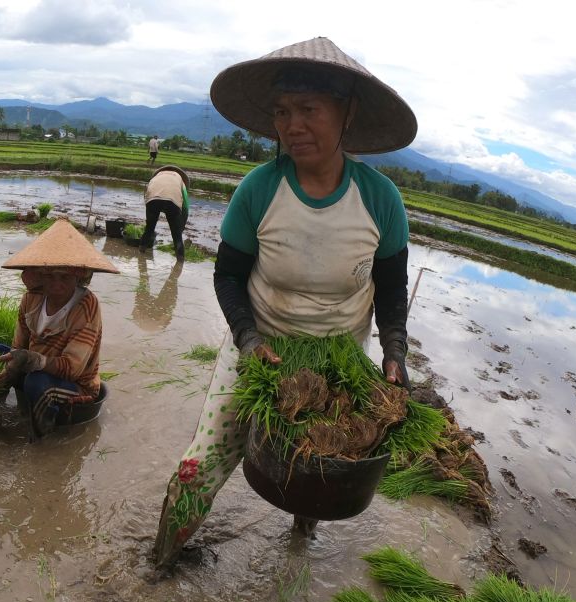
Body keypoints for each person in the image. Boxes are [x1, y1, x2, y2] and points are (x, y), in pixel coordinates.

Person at [152, 36, 416, 567]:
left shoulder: (380, 199)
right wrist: (247, 339)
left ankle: (302, 533)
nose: (292, 125)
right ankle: (158, 562)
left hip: (337, 356)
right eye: (281, 112)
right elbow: (227, 277)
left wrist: (394, 349)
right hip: (261, 351)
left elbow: (391, 288)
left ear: (348, 113)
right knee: (200, 465)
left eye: (308, 110)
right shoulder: (259, 190)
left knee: (323, 463)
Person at [0, 219, 117, 438]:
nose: (56, 284)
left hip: (73, 384)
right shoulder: (32, 298)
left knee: (36, 380)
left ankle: (43, 440)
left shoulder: (86, 306)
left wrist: (33, 360)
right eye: (49, 276)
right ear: (40, 276)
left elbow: (72, 368)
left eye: (64, 277)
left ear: (78, 276)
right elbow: (18, 348)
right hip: (33, 371)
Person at [140, 165, 190, 260]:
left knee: (149, 229)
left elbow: (147, 197)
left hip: (153, 200)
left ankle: (141, 253)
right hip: (172, 202)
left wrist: (151, 218)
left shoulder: (156, 177)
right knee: (177, 236)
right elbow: (186, 208)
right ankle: (180, 262)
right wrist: (180, 227)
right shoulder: (180, 180)